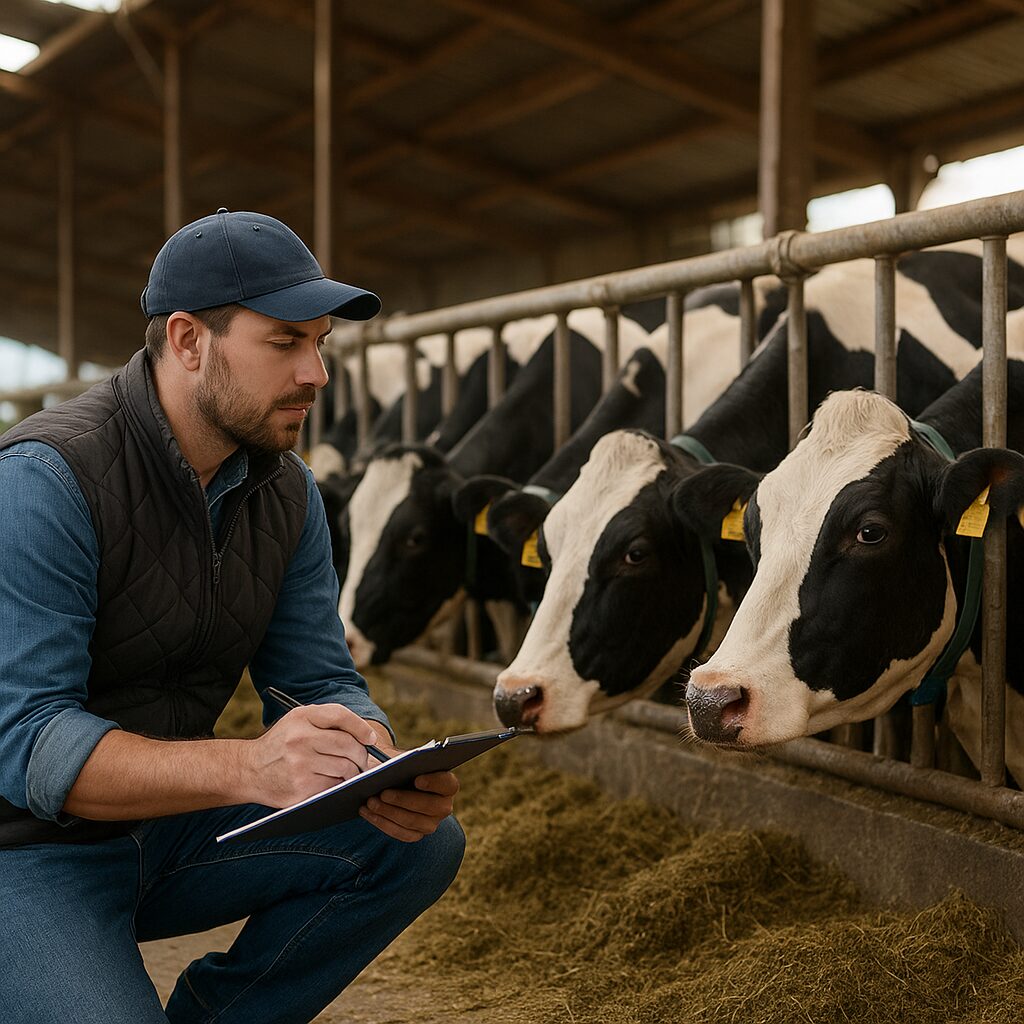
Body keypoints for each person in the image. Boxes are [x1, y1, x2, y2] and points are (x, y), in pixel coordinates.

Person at [0, 209, 465, 1024]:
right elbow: (29, 743)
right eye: (285, 342)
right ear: (188, 341)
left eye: (320, 343)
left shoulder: (287, 495)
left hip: (168, 827)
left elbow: (318, 678)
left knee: (415, 843)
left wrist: (377, 762)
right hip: (28, 851)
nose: (317, 373)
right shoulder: (46, 479)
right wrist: (250, 768)